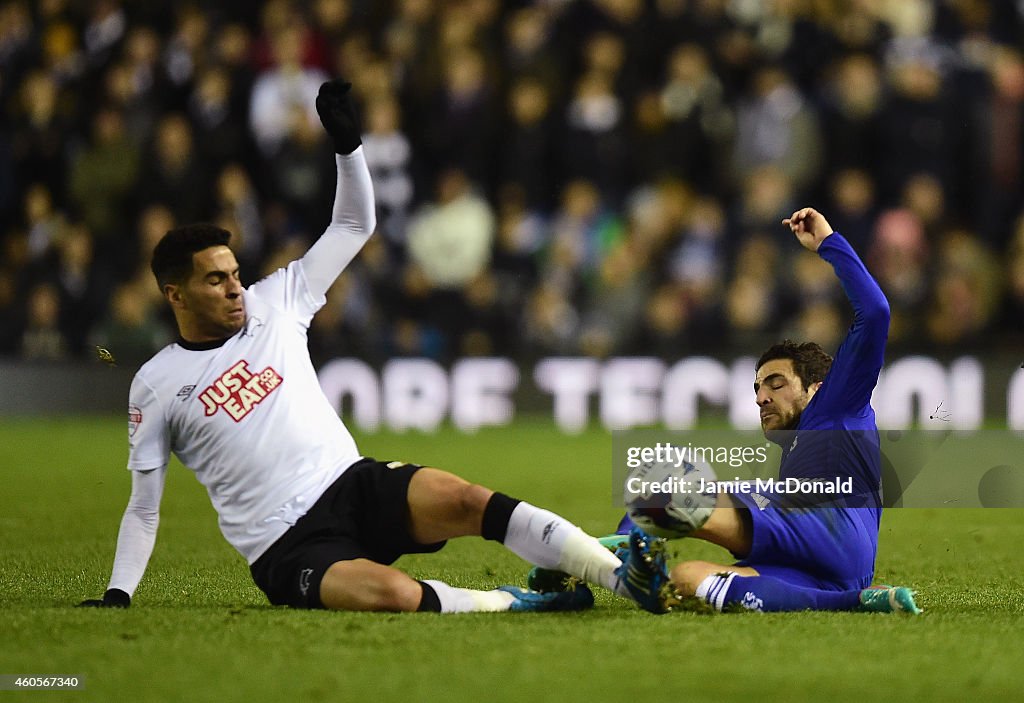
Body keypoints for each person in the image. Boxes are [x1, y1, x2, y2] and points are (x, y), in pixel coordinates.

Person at [79, 79, 634, 614]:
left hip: (352, 484)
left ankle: (622, 577)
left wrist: (348, 146)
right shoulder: (155, 382)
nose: (235, 289)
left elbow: (352, 226)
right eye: (215, 280)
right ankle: (515, 601)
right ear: (175, 295)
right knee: (394, 594)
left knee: (467, 499)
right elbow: (144, 508)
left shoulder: (277, 302)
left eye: (236, 273)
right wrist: (118, 593)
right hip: (284, 547)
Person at [570, 208, 920, 615]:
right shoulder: (801, 451)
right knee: (687, 581)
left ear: (816, 389)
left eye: (776, 383)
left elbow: (875, 313)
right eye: (756, 388)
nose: (760, 398)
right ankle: (854, 602)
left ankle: (623, 542)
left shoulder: (837, 404)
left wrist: (828, 243)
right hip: (835, 567)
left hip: (831, 522)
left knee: (676, 484)